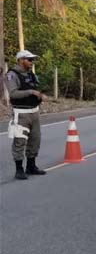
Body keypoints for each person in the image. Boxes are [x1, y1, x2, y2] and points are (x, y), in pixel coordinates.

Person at [6, 50, 48, 180]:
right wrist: (31, 92)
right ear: (20, 60)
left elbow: (36, 90)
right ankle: (19, 169)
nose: (31, 62)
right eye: (29, 60)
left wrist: (39, 96)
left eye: (32, 60)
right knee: (20, 141)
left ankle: (31, 166)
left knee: (35, 139)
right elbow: (12, 93)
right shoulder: (12, 75)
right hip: (21, 113)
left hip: (34, 112)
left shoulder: (31, 75)